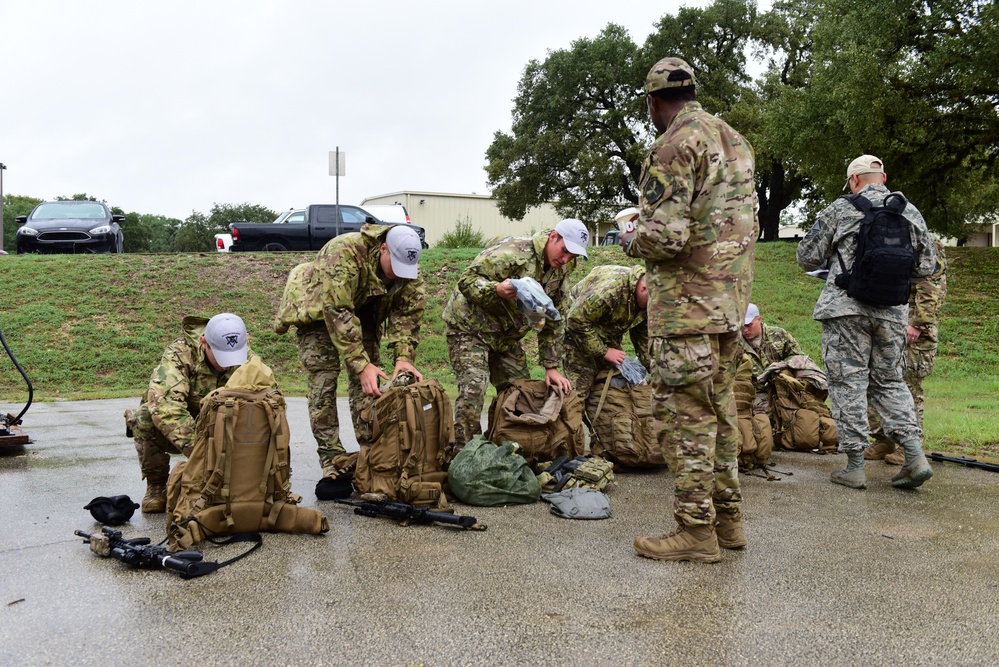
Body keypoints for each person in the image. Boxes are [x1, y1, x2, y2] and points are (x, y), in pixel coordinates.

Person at [622, 56, 758, 562]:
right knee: (721, 413)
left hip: (686, 312)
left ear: (654, 101)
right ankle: (728, 522)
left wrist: (631, 238)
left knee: (685, 419)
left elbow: (667, 237)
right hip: (729, 307)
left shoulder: (673, 145)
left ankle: (695, 531)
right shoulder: (736, 141)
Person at [797, 154, 936, 490]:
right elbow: (926, 267)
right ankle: (915, 456)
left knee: (848, 383)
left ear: (854, 181)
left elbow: (806, 256)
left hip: (846, 311)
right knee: (890, 382)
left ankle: (855, 466)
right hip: (892, 312)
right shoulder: (910, 211)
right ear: (883, 177)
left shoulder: (841, 208)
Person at [275, 224, 426, 494]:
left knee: (371, 385)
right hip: (319, 313)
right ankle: (333, 462)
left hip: (365, 313)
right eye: (395, 265)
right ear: (383, 248)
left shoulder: (407, 264)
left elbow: (408, 313)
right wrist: (360, 363)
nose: (399, 274)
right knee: (324, 382)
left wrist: (403, 356)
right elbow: (337, 309)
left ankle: (369, 456)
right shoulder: (344, 251)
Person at [443, 218, 589, 450]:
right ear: (553, 237)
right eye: (564, 251)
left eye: (573, 256)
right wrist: (497, 290)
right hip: (469, 328)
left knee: (519, 392)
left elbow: (554, 319)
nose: (566, 259)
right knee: (474, 388)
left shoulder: (560, 271)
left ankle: (504, 447)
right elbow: (467, 281)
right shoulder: (515, 251)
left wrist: (551, 365)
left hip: (505, 337)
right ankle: (464, 456)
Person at [129, 313, 253, 513]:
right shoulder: (180, 354)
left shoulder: (245, 354)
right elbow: (165, 405)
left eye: (232, 356)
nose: (227, 364)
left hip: (224, 425)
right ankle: (157, 485)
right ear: (204, 342)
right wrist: (202, 454)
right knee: (145, 416)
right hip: (187, 428)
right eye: (221, 356)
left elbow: (268, 397)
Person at [866, 236, 947, 465]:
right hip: (889, 324)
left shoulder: (926, 244)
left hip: (915, 333)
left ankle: (909, 447)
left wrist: (917, 323)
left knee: (909, 386)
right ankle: (883, 439)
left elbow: (932, 287)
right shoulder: (890, 238)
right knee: (878, 382)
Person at [563, 263, 649, 406]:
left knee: (613, 387)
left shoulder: (646, 302)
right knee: (577, 394)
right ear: (643, 289)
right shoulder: (611, 289)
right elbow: (575, 320)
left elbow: (643, 339)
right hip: (577, 336)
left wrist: (659, 373)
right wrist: (604, 351)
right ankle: (569, 425)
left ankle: (603, 423)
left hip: (607, 335)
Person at [740, 302, 806, 413]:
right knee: (763, 419)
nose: (745, 330)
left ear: (759, 319)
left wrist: (781, 366)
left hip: (783, 388)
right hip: (755, 393)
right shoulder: (735, 343)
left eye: (748, 325)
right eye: (741, 326)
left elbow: (800, 358)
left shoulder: (778, 335)